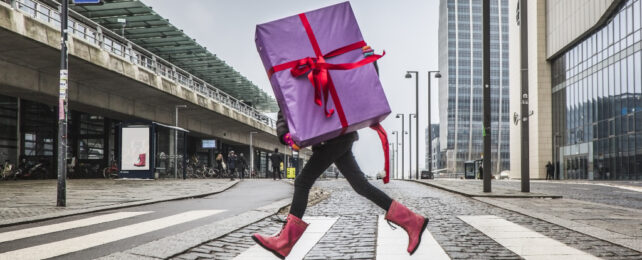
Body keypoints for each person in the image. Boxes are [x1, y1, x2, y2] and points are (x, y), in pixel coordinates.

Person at [252, 46, 429, 259]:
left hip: (338, 137)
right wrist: (285, 135)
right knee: (361, 186)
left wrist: (369, 61)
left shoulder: (329, 65)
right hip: (328, 141)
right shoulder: (292, 76)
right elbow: (284, 108)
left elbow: (358, 83)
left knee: (302, 182)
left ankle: (285, 242)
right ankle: (412, 221)